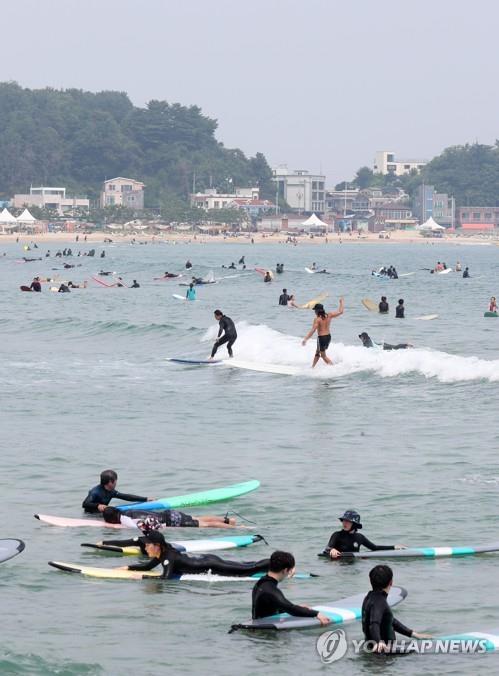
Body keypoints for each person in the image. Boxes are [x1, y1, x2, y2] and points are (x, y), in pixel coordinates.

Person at [119, 530, 267, 579]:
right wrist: (128, 567)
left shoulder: (168, 558)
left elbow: (166, 577)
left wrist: (142, 578)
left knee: (247, 570)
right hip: (207, 559)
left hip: (212, 565)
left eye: (148, 544)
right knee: (244, 565)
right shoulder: (164, 553)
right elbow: (147, 566)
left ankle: (279, 565)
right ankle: (273, 564)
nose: (145, 547)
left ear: (157, 546)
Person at [362, 565, 431, 652]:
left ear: (371, 581)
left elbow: (389, 620)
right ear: (391, 582)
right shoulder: (380, 602)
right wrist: (379, 642)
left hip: (373, 650)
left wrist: (413, 634)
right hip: (384, 655)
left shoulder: (369, 598)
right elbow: (374, 623)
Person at [251, 551, 330, 624]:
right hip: (266, 631)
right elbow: (291, 609)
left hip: (259, 625)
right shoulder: (271, 590)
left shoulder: (261, 583)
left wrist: (298, 607)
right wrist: (317, 614)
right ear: (285, 570)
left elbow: (275, 605)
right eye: (290, 570)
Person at [323, 511, 406, 559]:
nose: (344, 523)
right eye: (344, 520)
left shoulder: (359, 537)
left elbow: (374, 548)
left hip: (354, 566)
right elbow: (327, 548)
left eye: (348, 521)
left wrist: (394, 547)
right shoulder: (337, 535)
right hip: (338, 566)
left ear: (354, 524)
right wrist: (331, 550)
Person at [82, 469, 153, 514]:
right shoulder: (95, 492)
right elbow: (85, 504)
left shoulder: (111, 491)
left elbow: (126, 497)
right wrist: (98, 505)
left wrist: (145, 499)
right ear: (110, 482)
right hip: (90, 516)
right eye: (116, 481)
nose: (116, 483)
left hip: (101, 514)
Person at [102, 506, 237, 529]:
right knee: (199, 518)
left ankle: (234, 528)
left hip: (170, 521)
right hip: (168, 513)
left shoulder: (125, 520)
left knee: (205, 525)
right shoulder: (130, 511)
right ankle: (228, 520)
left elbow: (135, 526)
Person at [302, 299, 344, 367]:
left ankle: (333, 368)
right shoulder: (329, 315)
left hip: (321, 338)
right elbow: (341, 311)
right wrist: (341, 302)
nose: (314, 312)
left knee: (323, 356)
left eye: (315, 310)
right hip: (328, 337)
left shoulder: (317, 319)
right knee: (318, 352)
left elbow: (313, 330)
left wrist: (305, 339)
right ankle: (312, 367)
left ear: (317, 311)